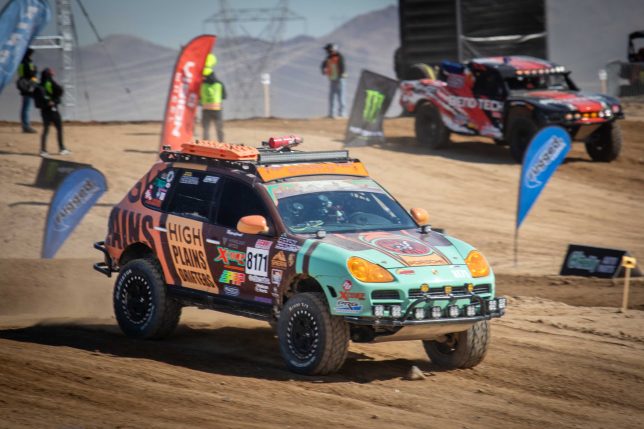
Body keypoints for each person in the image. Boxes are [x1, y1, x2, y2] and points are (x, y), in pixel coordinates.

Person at [34, 68, 69, 156]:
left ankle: (62, 148)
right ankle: (43, 150)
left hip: (53, 110)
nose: (51, 76)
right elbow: (38, 101)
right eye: (50, 75)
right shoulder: (40, 87)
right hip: (46, 111)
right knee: (46, 130)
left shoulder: (50, 84)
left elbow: (59, 94)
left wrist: (54, 102)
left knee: (58, 129)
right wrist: (47, 103)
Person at [200, 53, 226, 142]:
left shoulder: (202, 85)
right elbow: (224, 96)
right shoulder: (219, 84)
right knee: (219, 128)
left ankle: (205, 145)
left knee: (206, 129)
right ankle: (221, 144)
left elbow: (199, 98)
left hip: (206, 110)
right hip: (217, 109)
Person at [320, 43, 346, 118]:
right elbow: (323, 65)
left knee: (341, 97)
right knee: (332, 97)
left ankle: (342, 114)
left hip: (340, 80)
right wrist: (323, 70)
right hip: (332, 79)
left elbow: (342, 67)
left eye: (328, 50)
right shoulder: (328, 58)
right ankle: (331, 114)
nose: (327, 51)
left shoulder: (339, 56)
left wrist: (341, 75)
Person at [17, 48, 38, 133]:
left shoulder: (20, 62)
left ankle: (25, 125)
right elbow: (31, 74)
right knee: (26, 107)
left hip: (24, 84)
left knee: (25, 106)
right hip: (28, 86)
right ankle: (26, 126)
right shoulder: (27, 63)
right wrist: (34, 71)